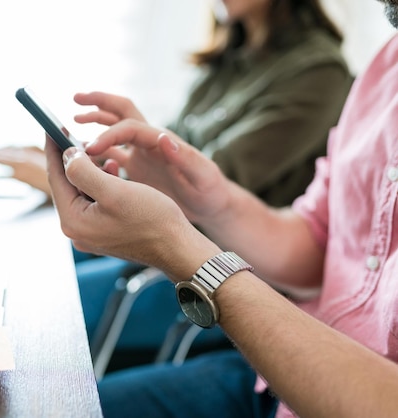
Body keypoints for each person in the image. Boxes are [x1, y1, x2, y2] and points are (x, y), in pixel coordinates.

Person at [44, 0, 398, 415]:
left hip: (303, 364)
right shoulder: (385, 67)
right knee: (48, 404)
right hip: (268, 376)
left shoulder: (319, 71)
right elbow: (316, 240)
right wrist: (213, 202)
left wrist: (180, 247)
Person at [0, 0, 352, 357]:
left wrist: (71, 176)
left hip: (213, 268)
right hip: (165, 249)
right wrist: (107, 158)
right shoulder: (227, 59)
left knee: (30, 313)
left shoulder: (319, 73)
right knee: (16, 278)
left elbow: (201, 184)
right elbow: (171, 159)